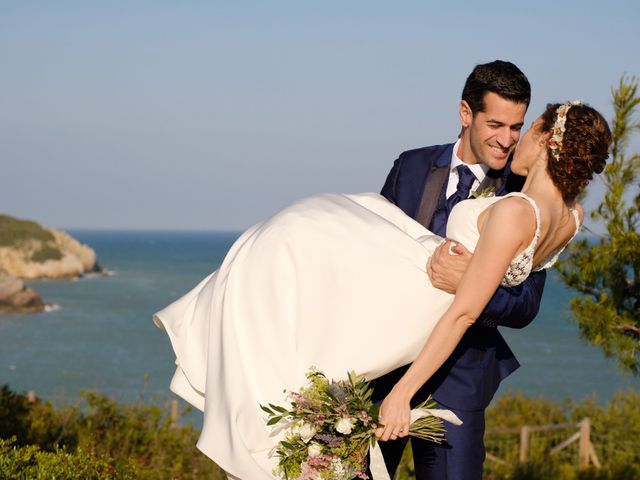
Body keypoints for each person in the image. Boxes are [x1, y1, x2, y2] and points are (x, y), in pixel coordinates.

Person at [153, 100, 611, 480]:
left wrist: (401, 394)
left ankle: (225, 353)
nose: (516, 140)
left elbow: (466, 312)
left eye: (527, 129)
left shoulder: (515, 210)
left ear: (550, 141)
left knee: (289, 244)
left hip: (423, 304)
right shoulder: (572, 218)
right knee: (314, 230)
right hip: (417, 290)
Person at [370, 60, 539, 479]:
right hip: (382, 372)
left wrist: (472, 286)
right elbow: (371, 255)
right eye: (496, 124)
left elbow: (526, 306)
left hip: (458, 384)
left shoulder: (523, 195)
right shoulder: (410, 166)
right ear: (466, 113)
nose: (506, 140)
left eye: (516, 127)